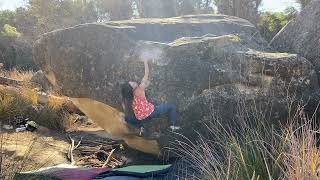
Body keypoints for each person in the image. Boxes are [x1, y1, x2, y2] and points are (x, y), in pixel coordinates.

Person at [121, 59, 180, 136]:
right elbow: (146, 74)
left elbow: (126, 108)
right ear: (132, 88)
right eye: (132, 83)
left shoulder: (128, 98)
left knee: (128, 118)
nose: (133, 81)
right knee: (172, 106)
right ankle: (172, 125)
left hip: (141, 117)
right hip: (151, 112)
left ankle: (140, 127)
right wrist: (145, 61)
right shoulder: (139, 89)